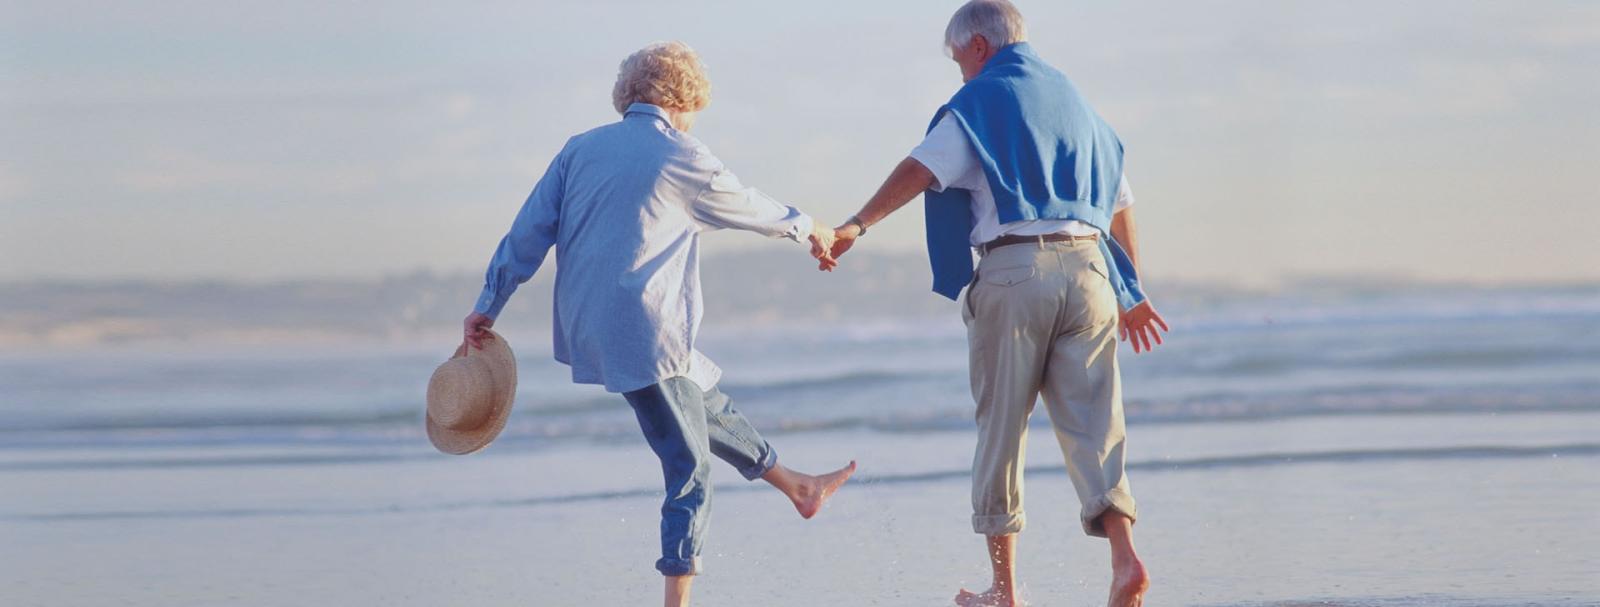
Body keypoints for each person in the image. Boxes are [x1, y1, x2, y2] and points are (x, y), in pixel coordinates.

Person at [461, 41, 856, 607]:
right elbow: (750, 207)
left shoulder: (579, 150)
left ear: (629, 93)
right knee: (688, 465)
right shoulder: (682, 154)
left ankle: (798, 486)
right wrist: (813, 228)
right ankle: (677, 600)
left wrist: (489, 301)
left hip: (587, 324)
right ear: (684, 97)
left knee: (706, 402)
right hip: (645, 329)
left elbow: (527, 234)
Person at [826, 2, 1168, 605]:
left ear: (979, 45)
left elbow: (921, 167)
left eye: (960, 59)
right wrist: (1132, 290)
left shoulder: (983, 100)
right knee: (1095, 424)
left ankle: (1004, 591)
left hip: (1015, 270)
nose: (960, 73)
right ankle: (1124, 558)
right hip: (1092, 272)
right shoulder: (1079, 105)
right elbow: (1121, 201)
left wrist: (858, 222)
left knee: (1002, 431)